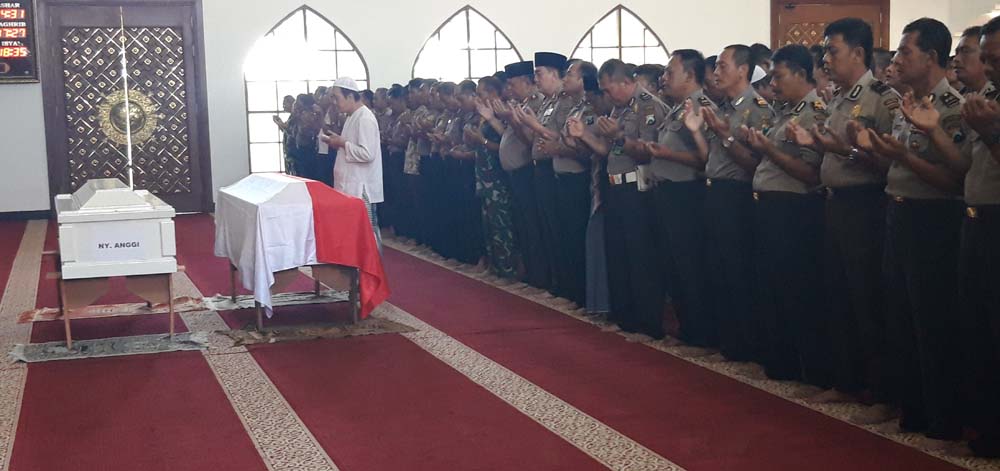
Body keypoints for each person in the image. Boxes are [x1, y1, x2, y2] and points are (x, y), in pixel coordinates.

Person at [862, 18, 966, 441]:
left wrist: (903, 154)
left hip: (932, 222)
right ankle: (912, 411)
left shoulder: (952, 107)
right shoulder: (909, 101)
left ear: (932, 57)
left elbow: (952, 180)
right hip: (898, 213)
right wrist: (882, 152)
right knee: (900, 318)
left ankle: (943, 420)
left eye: (906, 52)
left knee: (932, 323)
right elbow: (901, 165)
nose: (897, 59)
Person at [788, 17, 899, 411]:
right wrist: (819, 144)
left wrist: (846, 150)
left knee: (867, 300)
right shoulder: (838, 98)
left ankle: (881, 395)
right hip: (833, 203)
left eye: (832, 51)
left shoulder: (883, 99)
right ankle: (846, 381)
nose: (826, 59)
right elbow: (834, 150)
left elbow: (890, 164)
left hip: (865, 206)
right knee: (837, 295)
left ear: (857, 52)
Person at [745, 44, 831, 387]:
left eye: (779, 77)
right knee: (773, 287)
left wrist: (768, 150)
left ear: (800, 74)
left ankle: (806, 367)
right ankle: (780, 360)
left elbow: (811, 174)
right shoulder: (786, 111)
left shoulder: (815, 113)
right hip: (771, 207)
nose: (774, 85)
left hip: (794, 210)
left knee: (797, 289)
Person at [568, 59, 669, 339]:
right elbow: (606, 151)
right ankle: (626, 317)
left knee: (641, 258)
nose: (606, 95)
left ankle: (648, 323)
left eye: (609, 89)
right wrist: (584, 136)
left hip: (638, 190)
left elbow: (647, 152)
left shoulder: (648, 106)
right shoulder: (619, 108)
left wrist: (620, 136)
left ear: (626, 82)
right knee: (619, 255)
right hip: (615, 187)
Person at [701, 44, 775, 361]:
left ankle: (746, 345)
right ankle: (729, 342)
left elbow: (755, 164)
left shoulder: (757, 110)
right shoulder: (725, 107)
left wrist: (725, 135)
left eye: (722, 66)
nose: (716, 73)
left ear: (742, 70)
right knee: (719, 269)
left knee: (738, 271)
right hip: (715, 191)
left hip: (738, 195)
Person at [644, 49, 716, 347]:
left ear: (689, 75)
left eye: (669, 72)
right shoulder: (676, 109)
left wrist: (667, 154)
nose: (663, 78)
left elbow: (707, 159)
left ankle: (701, 333)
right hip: (667, 192)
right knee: (673, 264)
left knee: (690, 265)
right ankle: (687, 328)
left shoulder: (702, 107)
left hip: (687, 195)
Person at [958, 15, 1000, 457]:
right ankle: (986, 430)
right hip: (977, 219)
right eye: (984, 59)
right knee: (978, 331)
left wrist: (990, 132)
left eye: (995, 59)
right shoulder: (986, 96)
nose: (987, 69)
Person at [320, 77, 384, 248]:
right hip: (350, 185)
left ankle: (372, 272)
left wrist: (341, 143)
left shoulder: (364, 118)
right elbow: (352, 146)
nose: (334, 102)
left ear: (350, 96)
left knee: (367, 233)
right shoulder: (352, 116)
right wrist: (338, 142)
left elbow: (367, 154)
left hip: (361, 187)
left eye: (336, 97)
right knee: (354, 235)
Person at [469, 76, 520, 282]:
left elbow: (503, 145)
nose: (477, 97)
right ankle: (495, 265)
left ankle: (508, 268)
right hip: (484, 176)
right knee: (488, 223)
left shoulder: (501, 114)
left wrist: (482, 139)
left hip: (497, 177)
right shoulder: (483, 115)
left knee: (502, 225)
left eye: (480, 93)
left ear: (492, 94)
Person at [954, 26, 996, 97]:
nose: (956, 59)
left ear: (985, 54)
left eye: (965, 51)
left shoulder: (996, 99)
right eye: (957, 52)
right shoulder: (956, 98)